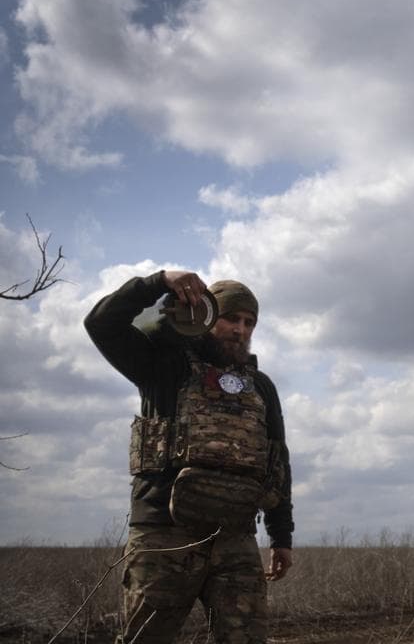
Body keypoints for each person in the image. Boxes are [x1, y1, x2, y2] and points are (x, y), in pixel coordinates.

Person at [85, 270, 293, 644]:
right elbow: (101, 323)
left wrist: (281, 535)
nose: (241, 330)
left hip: (236, 536)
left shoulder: (261, 387)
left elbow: (277, 461)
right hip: (164, 535)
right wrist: (159, 282)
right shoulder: (164, 364)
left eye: (249, 322)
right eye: (232, 318)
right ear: (209, 315)